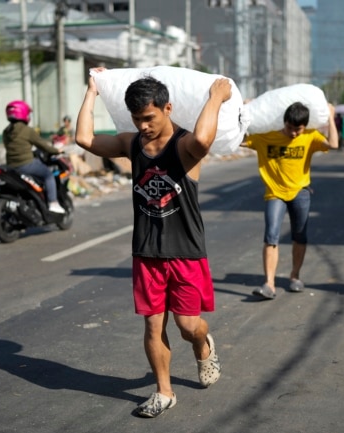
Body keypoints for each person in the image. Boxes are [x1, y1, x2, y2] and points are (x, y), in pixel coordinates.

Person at [74, 69, 231, 418]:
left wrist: (216, 97)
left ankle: (204, 344)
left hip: (186, 251)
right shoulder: (133, 145)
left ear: (168, 108)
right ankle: (164, 392)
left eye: (149, 117)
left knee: (189, 325)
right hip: (146, 252)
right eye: (136, 118)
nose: (143, 125)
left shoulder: (185, 146)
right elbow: (84, 139)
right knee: (152, 325)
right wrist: (92, 92)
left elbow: (205, 141)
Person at [243, 101, 338, 300]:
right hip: (275, 192)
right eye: (290, 128)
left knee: (299, 236)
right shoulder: (266, 137)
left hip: (300, 192)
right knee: (271, 235)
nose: (294, 133)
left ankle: (295, 276)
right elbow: (239, 140)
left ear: (305, 127)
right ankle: (269, 283)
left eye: (298, 130)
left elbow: (334, 144)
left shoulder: (310, 137)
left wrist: (330, 116)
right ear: (283, 122)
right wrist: (244, 112)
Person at [2, 100, 66, 214]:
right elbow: (43, 145)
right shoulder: (27, 130)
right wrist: (57, 151)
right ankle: (53, 202)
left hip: (11, 166)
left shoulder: (6, 131)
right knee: (48, 175)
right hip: (26, 165)